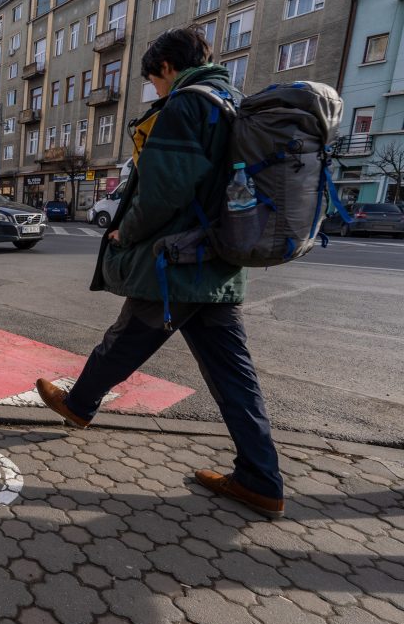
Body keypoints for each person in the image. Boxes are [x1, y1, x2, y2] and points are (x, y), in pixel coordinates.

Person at [35, 27, 285, 519]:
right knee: (233, 374)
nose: (154, 89)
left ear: (168, 67)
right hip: (219, 257)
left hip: (180, 260)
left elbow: (162, 187)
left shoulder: (188, 104)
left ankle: (80, 404)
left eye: (153, 80)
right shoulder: (232, 100)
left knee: (126, 337)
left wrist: (125, 231)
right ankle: (261, 477)